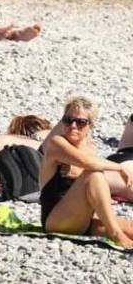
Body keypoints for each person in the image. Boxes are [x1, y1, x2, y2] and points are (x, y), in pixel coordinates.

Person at [39, 96, 133, 248]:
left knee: (129, 227)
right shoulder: (57, 143)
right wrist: (119, 167)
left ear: (90, 125)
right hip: (56, 220)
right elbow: (86, 163)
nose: (73, 126)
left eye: (80, 122)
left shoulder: (90, 147)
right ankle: (116, 235)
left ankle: (116, 231)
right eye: (68, 120)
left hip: (82, 218)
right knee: (94, 174)